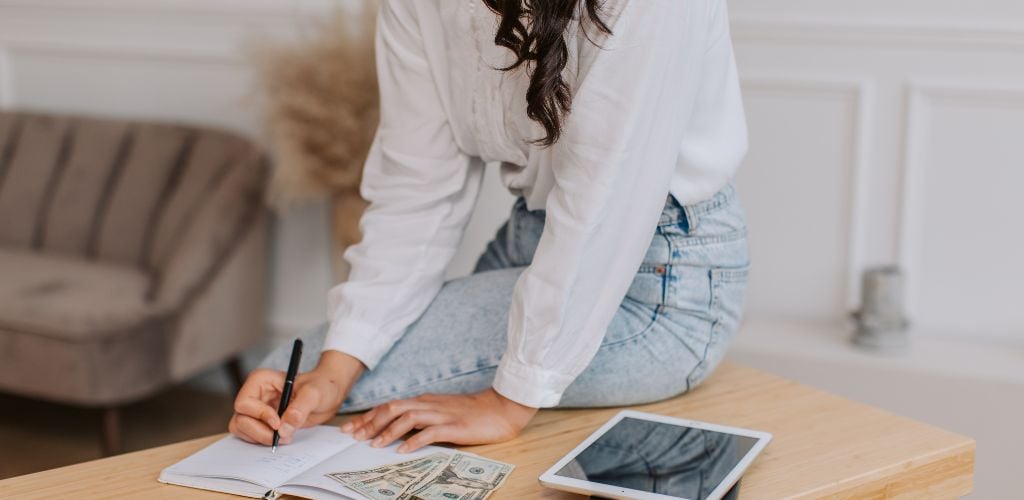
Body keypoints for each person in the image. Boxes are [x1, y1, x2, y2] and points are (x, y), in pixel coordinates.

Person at [229, 0, 750, 454]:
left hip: (660, 285)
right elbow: (418, 190)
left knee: (289, 374)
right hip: (535, 241)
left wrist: (508, 403)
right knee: (302, 386)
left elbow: (604, 205)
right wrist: (336, 368)